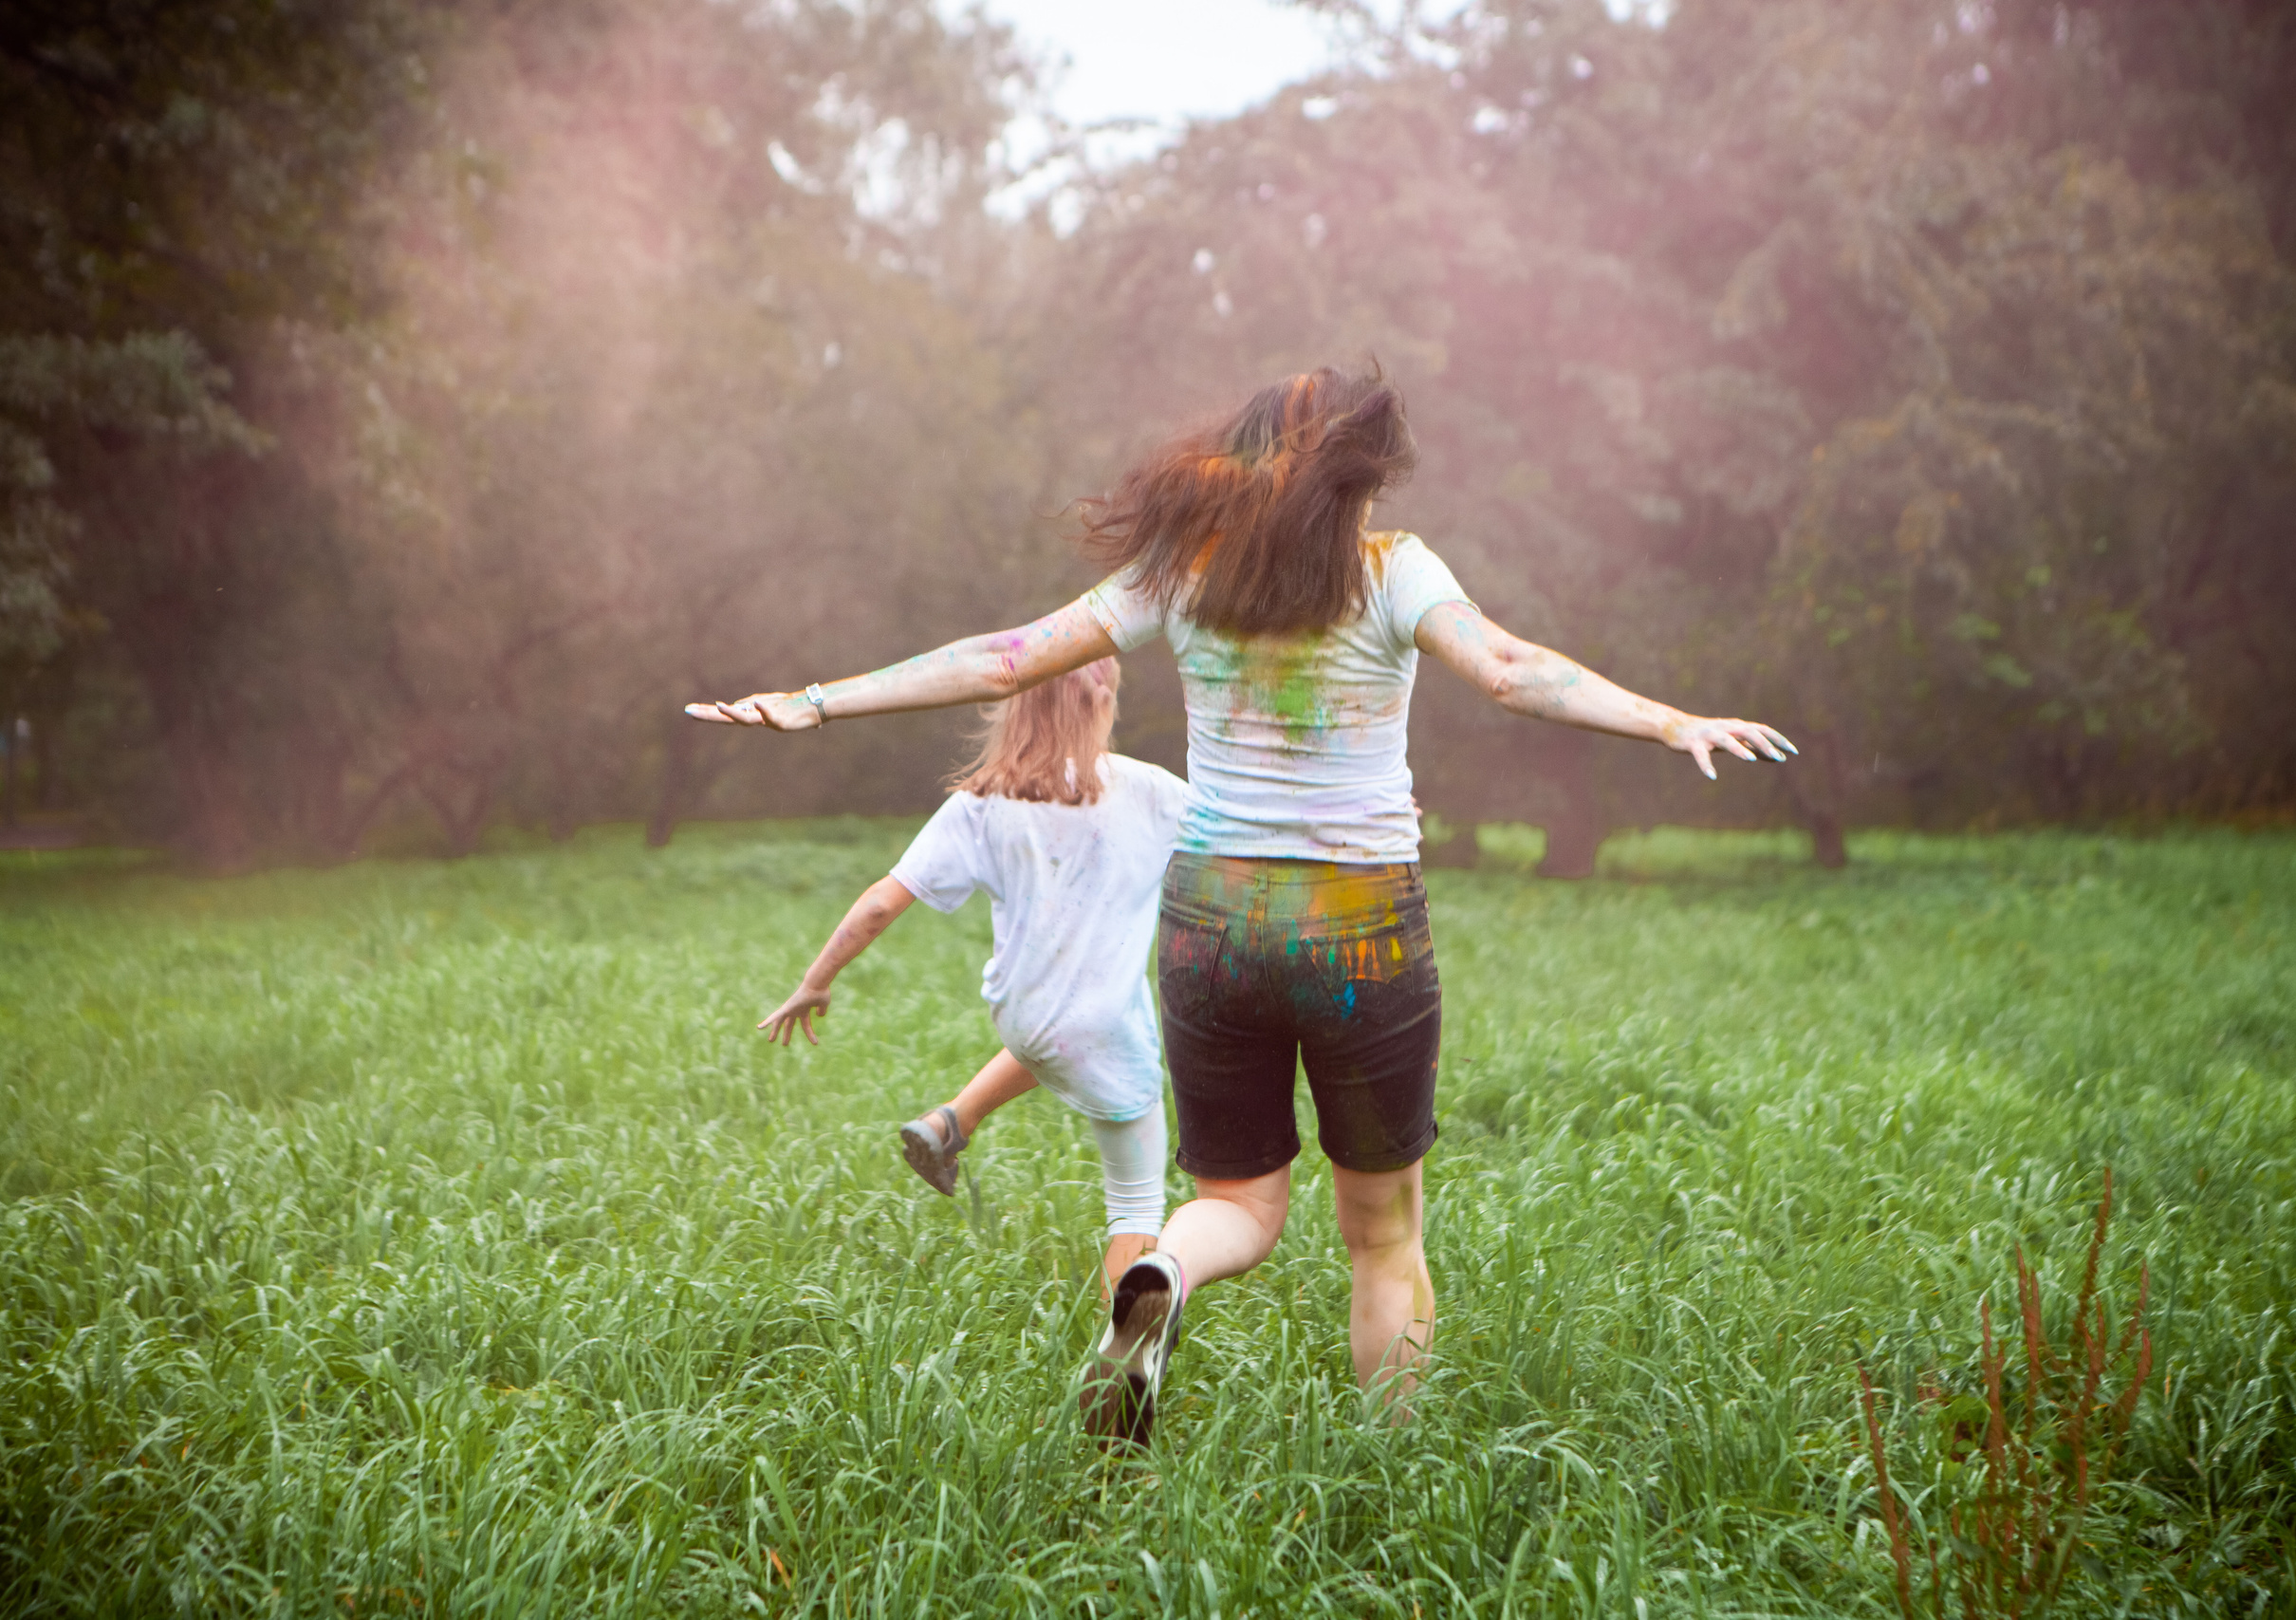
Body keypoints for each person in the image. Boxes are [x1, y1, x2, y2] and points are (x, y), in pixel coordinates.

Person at [690, 364, 1792, 1443]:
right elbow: (1508, 670)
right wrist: (1665, 721)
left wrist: (818, 700)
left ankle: (1167, 1265)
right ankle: (1391, 1473)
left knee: (1241, 1206)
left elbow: (1006, 660)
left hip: (1213, 928)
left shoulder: (1185, 575)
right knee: (1381, 1235)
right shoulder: (1392, 569)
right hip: (1357, 928)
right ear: (1352, 483)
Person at [750, 660, 1186, 1296]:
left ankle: (951, 1120)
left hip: (1021, 1010)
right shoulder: (1151, 791)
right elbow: (1245, 842)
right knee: (1137, 1205)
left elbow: (880, 902)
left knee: (1048, 1037)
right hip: (1104, 1026)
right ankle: (1125, 1354)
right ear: (1106, 702)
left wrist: (815, 980)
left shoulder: (982, 800)